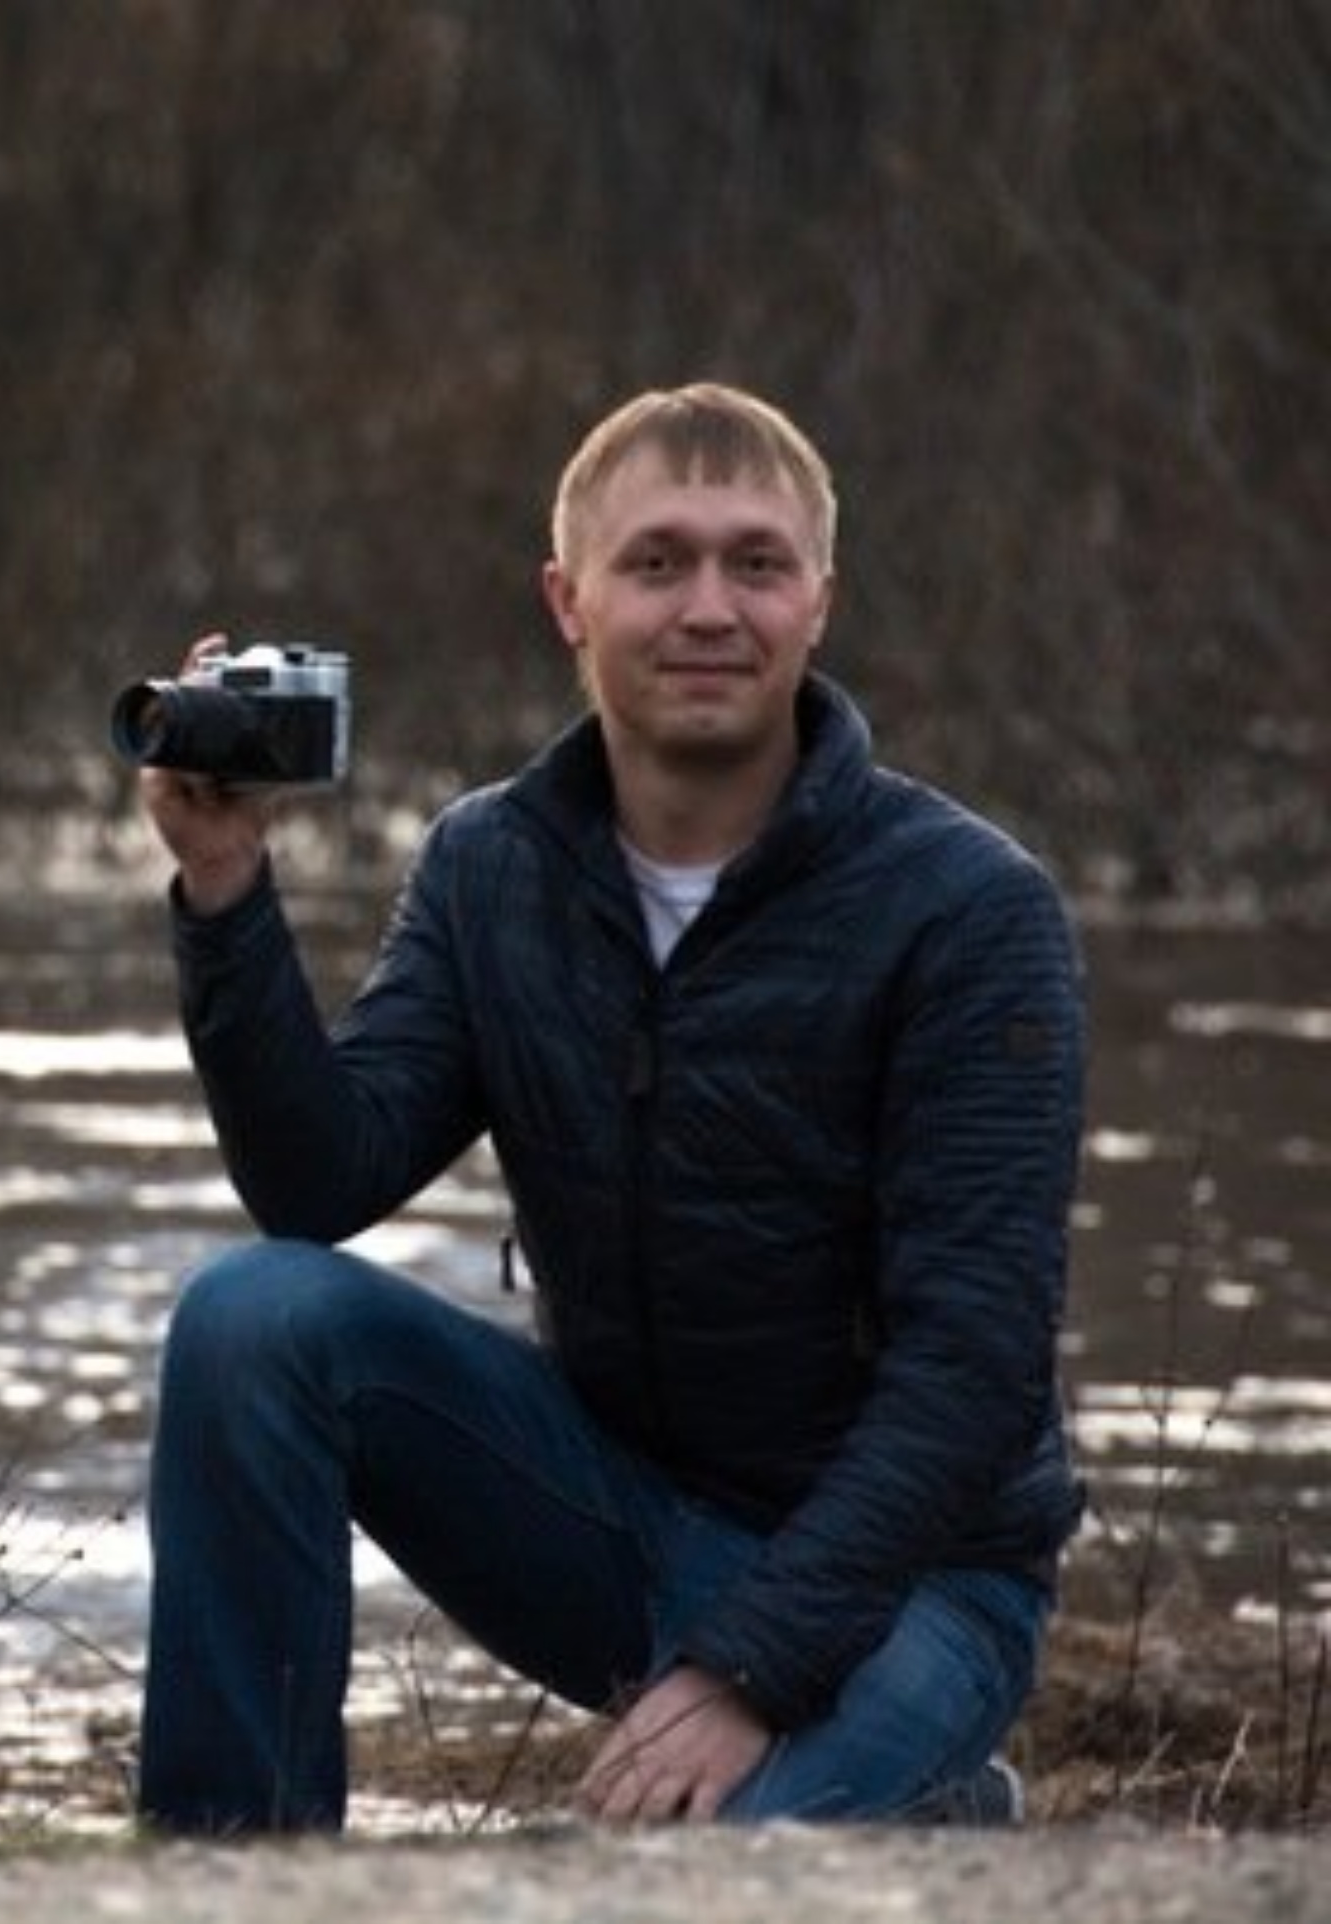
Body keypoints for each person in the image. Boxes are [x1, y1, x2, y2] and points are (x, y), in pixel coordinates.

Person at [131, 381, 1085, 1833]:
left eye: (755, 564)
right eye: (658, 563)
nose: (711, 608)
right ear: (567, 601)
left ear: (819, 602)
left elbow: (975, 1368)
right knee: (254, 1319)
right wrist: (223, 894)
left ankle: (924, 1799)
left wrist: (751, 1665)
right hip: (616, 1517)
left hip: (920, 1583)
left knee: (698, 1881)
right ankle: (234, 1868)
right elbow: (320, 1185)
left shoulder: (968, 910)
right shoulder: (491, 867)